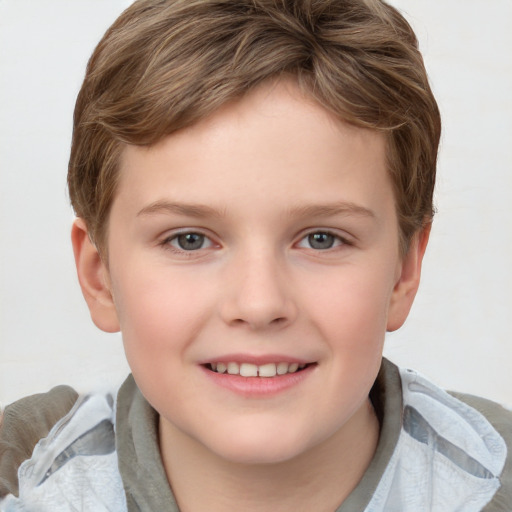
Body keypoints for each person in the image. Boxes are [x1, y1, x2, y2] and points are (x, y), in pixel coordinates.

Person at [0, 0, 510, 510]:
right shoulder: (22, 477)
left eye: (321, 239)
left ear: (404, 271)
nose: (260, 303)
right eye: (189, 240)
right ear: (100, 277)